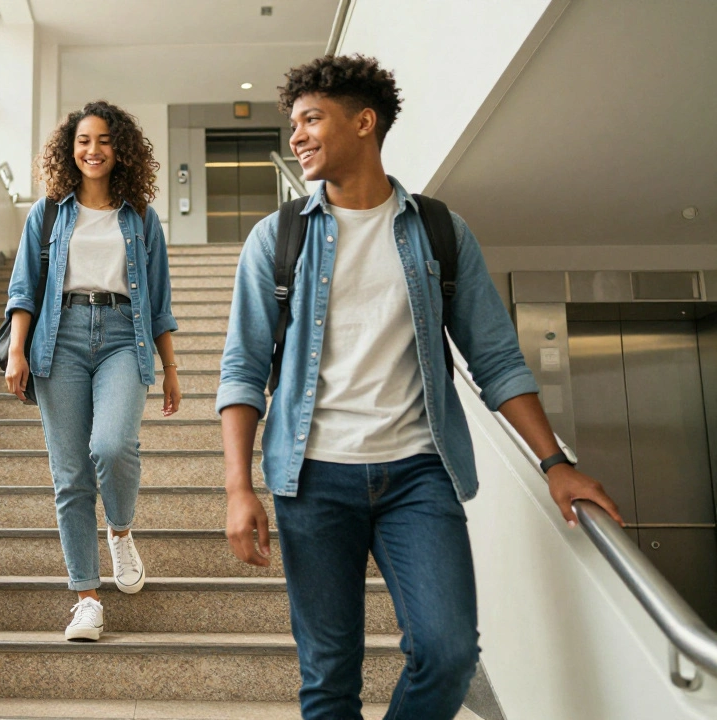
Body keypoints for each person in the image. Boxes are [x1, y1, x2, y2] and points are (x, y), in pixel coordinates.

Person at [217, 55, 623, 720]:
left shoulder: (440, 231)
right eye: (293, 124)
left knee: (448, 652)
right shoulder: (278, 239)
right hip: (313, 479)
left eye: (311, 119)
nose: (296, 137)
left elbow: (494, 358)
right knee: (328, 675)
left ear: (364, 122)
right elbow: (242, 369)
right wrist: (238, 486)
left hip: (417, 475)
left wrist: (556, 463)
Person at [4, 100, 181, 642]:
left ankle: (121, 530)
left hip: (125, 335)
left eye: (103, 140)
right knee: (71, 475)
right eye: (83, 140)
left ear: (119, 148)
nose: (93, 150)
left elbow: (160, 300)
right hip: (61, 337)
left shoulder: (141, 217)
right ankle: (86, 597)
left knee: (111, 446)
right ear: (69, 148)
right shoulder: (48, 212)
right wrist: (16, 351)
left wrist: (170, 367)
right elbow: (22, 290)